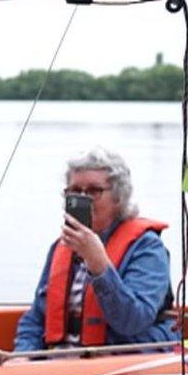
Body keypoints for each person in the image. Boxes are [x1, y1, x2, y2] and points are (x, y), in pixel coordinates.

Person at [13, 147, 177, 352]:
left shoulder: (147, 248)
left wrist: (99, 267)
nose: (84, 198)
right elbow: (36, 319)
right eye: (75, 191)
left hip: (120, 363)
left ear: (118, 197)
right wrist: (22, 355)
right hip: (61, 364)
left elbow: (133, 321)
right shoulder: (61, 247)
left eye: (93, 191)